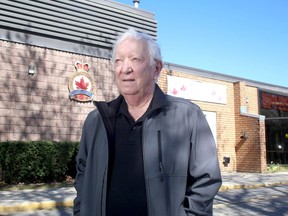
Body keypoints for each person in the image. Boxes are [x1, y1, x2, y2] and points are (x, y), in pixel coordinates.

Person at [73, 28, 222, 216]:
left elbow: (206, 182)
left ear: (156, 68)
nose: (125, 68)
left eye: (135, 59)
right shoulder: (96, 121)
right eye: (119, 60)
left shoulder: (188, 117)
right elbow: (82, 177)